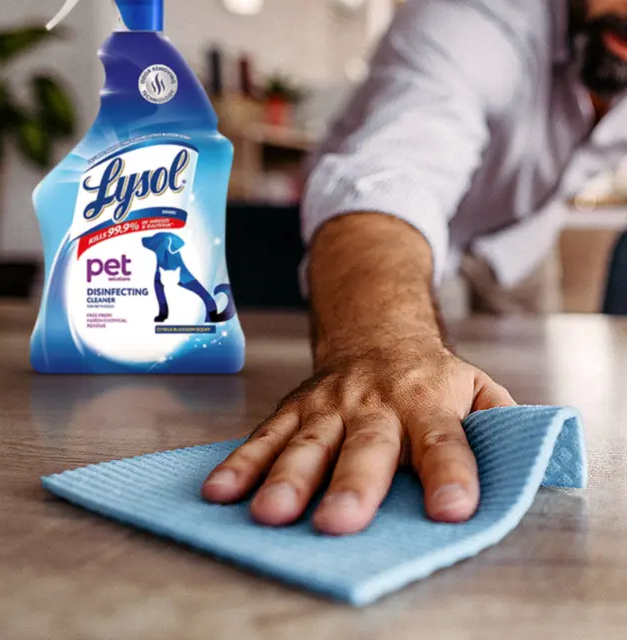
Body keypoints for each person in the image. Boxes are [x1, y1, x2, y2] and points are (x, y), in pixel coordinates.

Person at [203, 0, 627, 534]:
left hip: (522, 241)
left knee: (517, 397)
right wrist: (386, 346)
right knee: (413, 400)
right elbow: (394, 171)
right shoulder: (477, 17)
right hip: (402, 242)